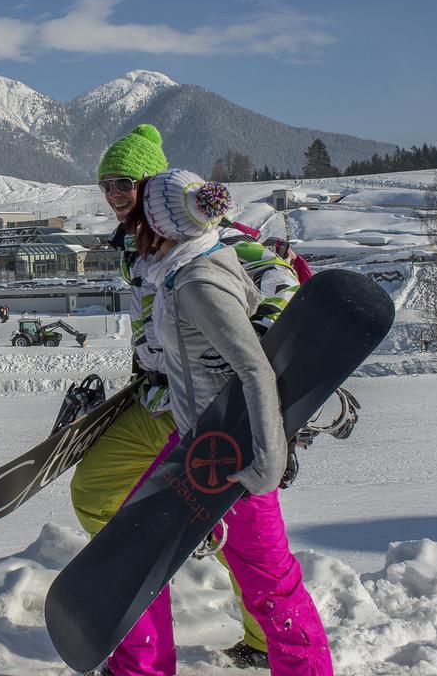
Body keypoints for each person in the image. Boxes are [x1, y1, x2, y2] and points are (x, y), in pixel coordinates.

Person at [108, 168, 332, 675]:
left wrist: (267, 462)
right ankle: (140, 666)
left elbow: (253, 369)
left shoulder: (196, 283)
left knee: (271, 586)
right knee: (134, 545)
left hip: (233, 456)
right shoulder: (192, 259)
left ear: (159, 222)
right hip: (199, 442)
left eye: (140, 211)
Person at [70, 126, 271, 672]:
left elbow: (275, 276)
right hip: (156, 400)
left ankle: (263, 638)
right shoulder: (131, 245)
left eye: (122, 183)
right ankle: (144, 630)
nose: (112, 194)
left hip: (215, 408)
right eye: (104, 184)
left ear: (152, 181)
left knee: (235, 529)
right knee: (95, 491)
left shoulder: (215, 233)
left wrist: (263, 353)